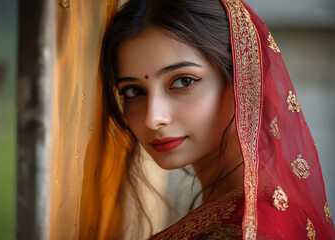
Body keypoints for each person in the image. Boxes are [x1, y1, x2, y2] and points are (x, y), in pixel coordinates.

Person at [99, 0, 335, 239]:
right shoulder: (244, 213)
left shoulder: (250, 228)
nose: (153, 118)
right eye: (133, 91)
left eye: (183, 81)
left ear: (244, 80)